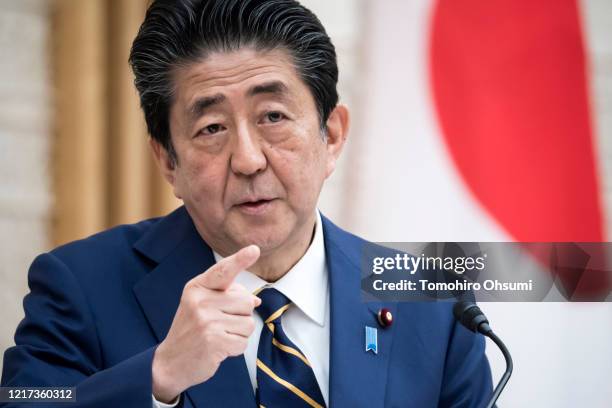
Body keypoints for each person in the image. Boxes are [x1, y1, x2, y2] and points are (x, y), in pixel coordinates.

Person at [1, 0, 492, 406]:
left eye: (273, 116)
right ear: (168, 162)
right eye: (211, 128)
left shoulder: (436, 308)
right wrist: (159, 376)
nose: (249, 159)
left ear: (333, 135)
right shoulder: (81, 285)